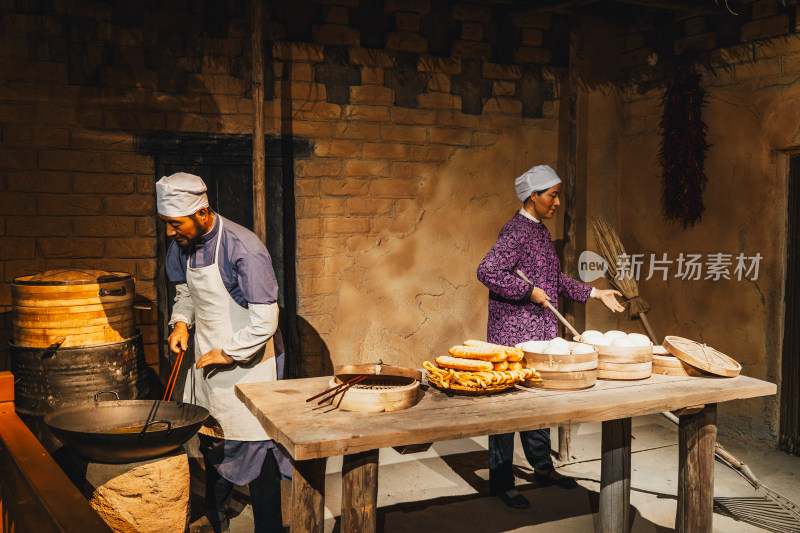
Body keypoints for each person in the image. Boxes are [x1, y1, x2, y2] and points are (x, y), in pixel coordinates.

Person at [477, 164, 624, 509]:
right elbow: (487, 270)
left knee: (539, 401)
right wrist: (528, 292)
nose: (557, 202)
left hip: (539, 334)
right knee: (509, 406)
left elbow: (554, 281)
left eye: (558, 195)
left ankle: (542, 466)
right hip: (513, 333)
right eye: (552, 195)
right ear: (533, 196)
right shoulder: (515, 231)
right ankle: (501, 481)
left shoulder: (540, 232)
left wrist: (593, 293)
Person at [157, 172, 290, 533]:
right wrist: (181, 323)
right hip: (207, 361)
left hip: (250, 365)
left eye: (174, 224)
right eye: (166, 224)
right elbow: (186, 293)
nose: (170, 232)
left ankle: (269, 529)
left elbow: (265, 321)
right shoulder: (182, 243)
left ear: (202, 212)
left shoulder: (242, 247)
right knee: (213, 441)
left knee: (256, 451)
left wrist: (229, 354)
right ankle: (215, 519)